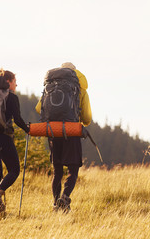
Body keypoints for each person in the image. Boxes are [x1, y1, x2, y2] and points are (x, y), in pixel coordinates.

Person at [36, 62, 92, 212]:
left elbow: (38, 108)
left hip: (54, 132)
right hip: (71, 131)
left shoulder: (51, 86)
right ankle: (65, 198)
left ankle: (55, 203)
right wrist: (83, 123)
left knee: (57, 171)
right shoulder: (79, 88)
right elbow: (86, 117)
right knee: (73, 170)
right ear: (75, 73)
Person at [0, 69, 30, 216]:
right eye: (15, 82)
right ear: (8, 82)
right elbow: (17, 119)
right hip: (2, 137)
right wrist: (28, 129)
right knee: (14, 170)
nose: (16, 85)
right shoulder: (11, 97)